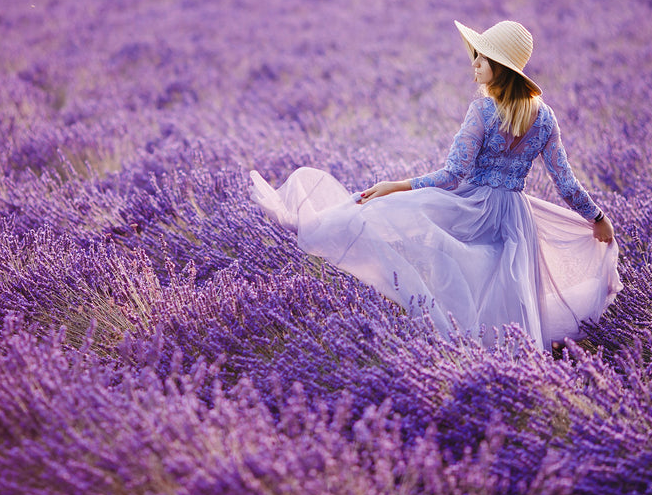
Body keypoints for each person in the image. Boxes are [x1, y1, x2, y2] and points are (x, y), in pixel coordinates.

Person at [250, 20, 621, 350]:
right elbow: (566, 182)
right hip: (514, 216)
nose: (474, 65)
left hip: (473, 208)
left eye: (481, 58)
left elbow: (451, 176)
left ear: (500, 68)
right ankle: (504, 360)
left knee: (386, 217)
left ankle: (309, 222)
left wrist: (396, 185)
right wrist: (597, 217)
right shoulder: (544, 117)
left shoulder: (483, 111)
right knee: (502, 290)